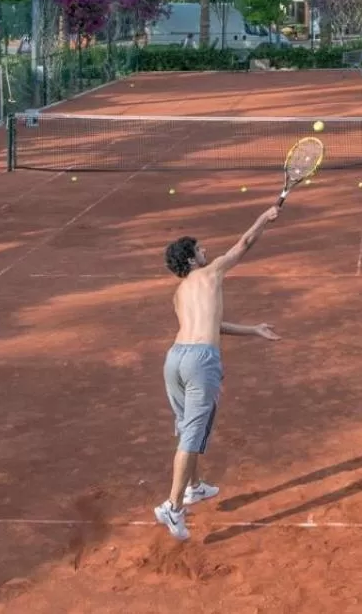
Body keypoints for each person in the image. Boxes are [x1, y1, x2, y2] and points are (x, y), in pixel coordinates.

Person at [154, 205, 283, 541]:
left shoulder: (179, 295)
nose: (205, 251)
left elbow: (211, 325)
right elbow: (243, 244)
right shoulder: (210, 273)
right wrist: (263, 219)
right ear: (191, 259)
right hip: (201, 362)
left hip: (174, 360)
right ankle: (173, 505)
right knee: (193, 434)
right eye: (199, 249)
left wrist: (253, 329)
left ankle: (194, 488)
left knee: (186, 428)